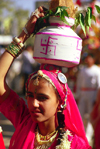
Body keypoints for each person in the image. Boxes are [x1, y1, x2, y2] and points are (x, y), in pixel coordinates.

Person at [0, 6, 91, 149]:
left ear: (60, 102)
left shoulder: (75, 144)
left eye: (42, 97)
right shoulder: (24, 120)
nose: (33, 104)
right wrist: (24, 34)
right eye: (29, 95)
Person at [76, 54, 100, 144]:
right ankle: (80, 133)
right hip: (83, 93)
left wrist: (96, 98)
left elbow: (99, 85)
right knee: (80, 113)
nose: (88, 60)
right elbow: (78, 83)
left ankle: (88, 135)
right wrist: (78, 95)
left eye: (90, 58)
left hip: (92, 93)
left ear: (93, 60)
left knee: (91, 115)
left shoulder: (97, 70)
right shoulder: (82, 70)